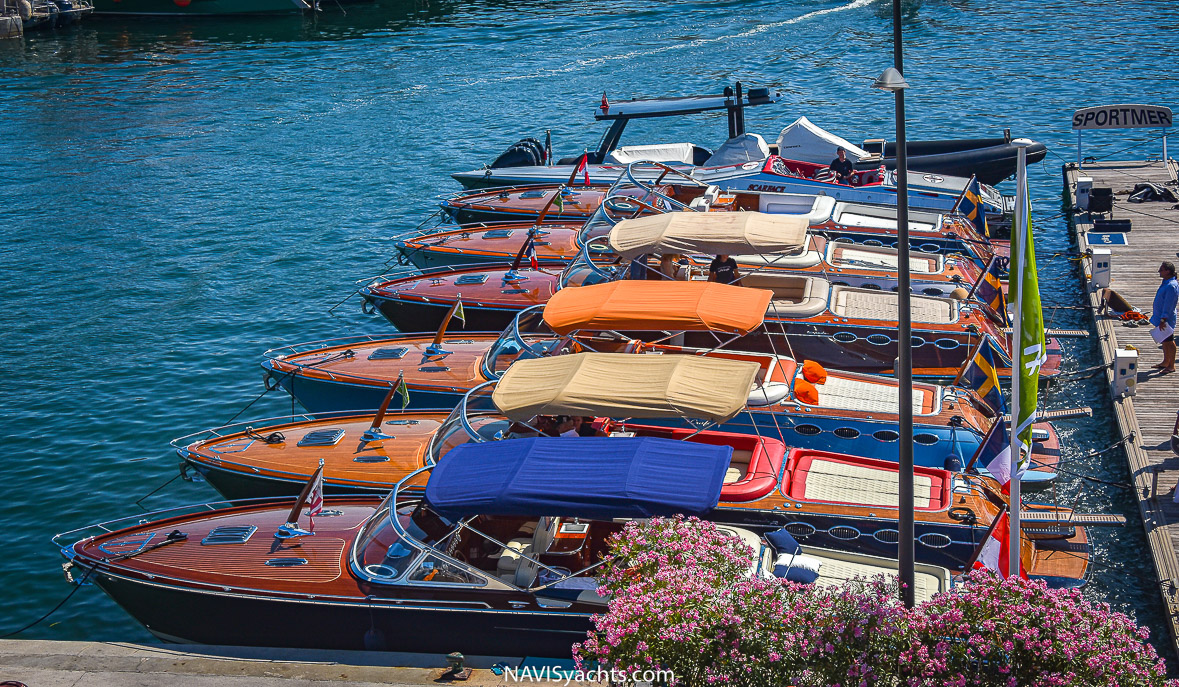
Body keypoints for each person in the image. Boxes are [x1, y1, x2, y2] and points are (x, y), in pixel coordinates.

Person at [1150, 261, 1178, 373]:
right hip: (1160, 317)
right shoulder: (1166, 282)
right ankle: (1166, 361)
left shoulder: (1172, 286)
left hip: (1165, 318)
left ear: (1168, 271)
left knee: (1169, 341)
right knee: (1164, 340)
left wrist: (1163, 319)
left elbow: (1169, 304)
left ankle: (1171, 366)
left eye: (1161, 269)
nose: (1159, 271)